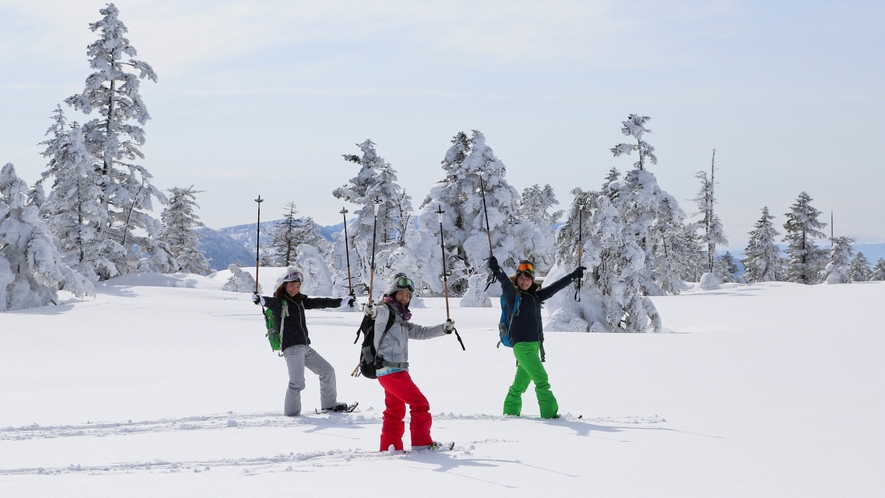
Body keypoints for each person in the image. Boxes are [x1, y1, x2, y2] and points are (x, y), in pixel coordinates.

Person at [364, 273, 456, 452]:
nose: (405, 298)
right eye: (401, 293)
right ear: (394, 293)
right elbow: (377, 313)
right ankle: (422, 444)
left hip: (389, 372)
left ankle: (390, 447)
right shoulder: (386, 311)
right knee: (420, 404)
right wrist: (372, 310)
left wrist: (443, 329)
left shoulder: (401, 319)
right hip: (392, 371)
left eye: (408, 295)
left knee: (394, 411)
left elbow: (421, 332)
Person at [488, 257, 585, 419]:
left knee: (519, 386)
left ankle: (510, 415)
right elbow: (505, 283)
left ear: (532, 281)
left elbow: (556, 286)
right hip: (522, 347)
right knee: (542, 380)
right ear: (517, 279)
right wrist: (497, 269)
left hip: (534, 347)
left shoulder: (535, 297)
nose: (525, 281)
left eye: (528, 279)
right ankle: (551, 416)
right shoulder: (513, 297)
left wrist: (573, 276)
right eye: (521, 278)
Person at [252, 268, 357, 416]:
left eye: (297, 286)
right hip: (292, 348)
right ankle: (292, 415)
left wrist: (342, 302)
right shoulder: (279, 302)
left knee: (327, 371)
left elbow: (321, 302)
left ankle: (329, 405)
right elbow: (268, 302)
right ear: (285, 285)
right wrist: (260, 300)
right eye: (291, 286)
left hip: (304, 347)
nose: (294, 289)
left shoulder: (300, 301)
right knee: (297, 383)